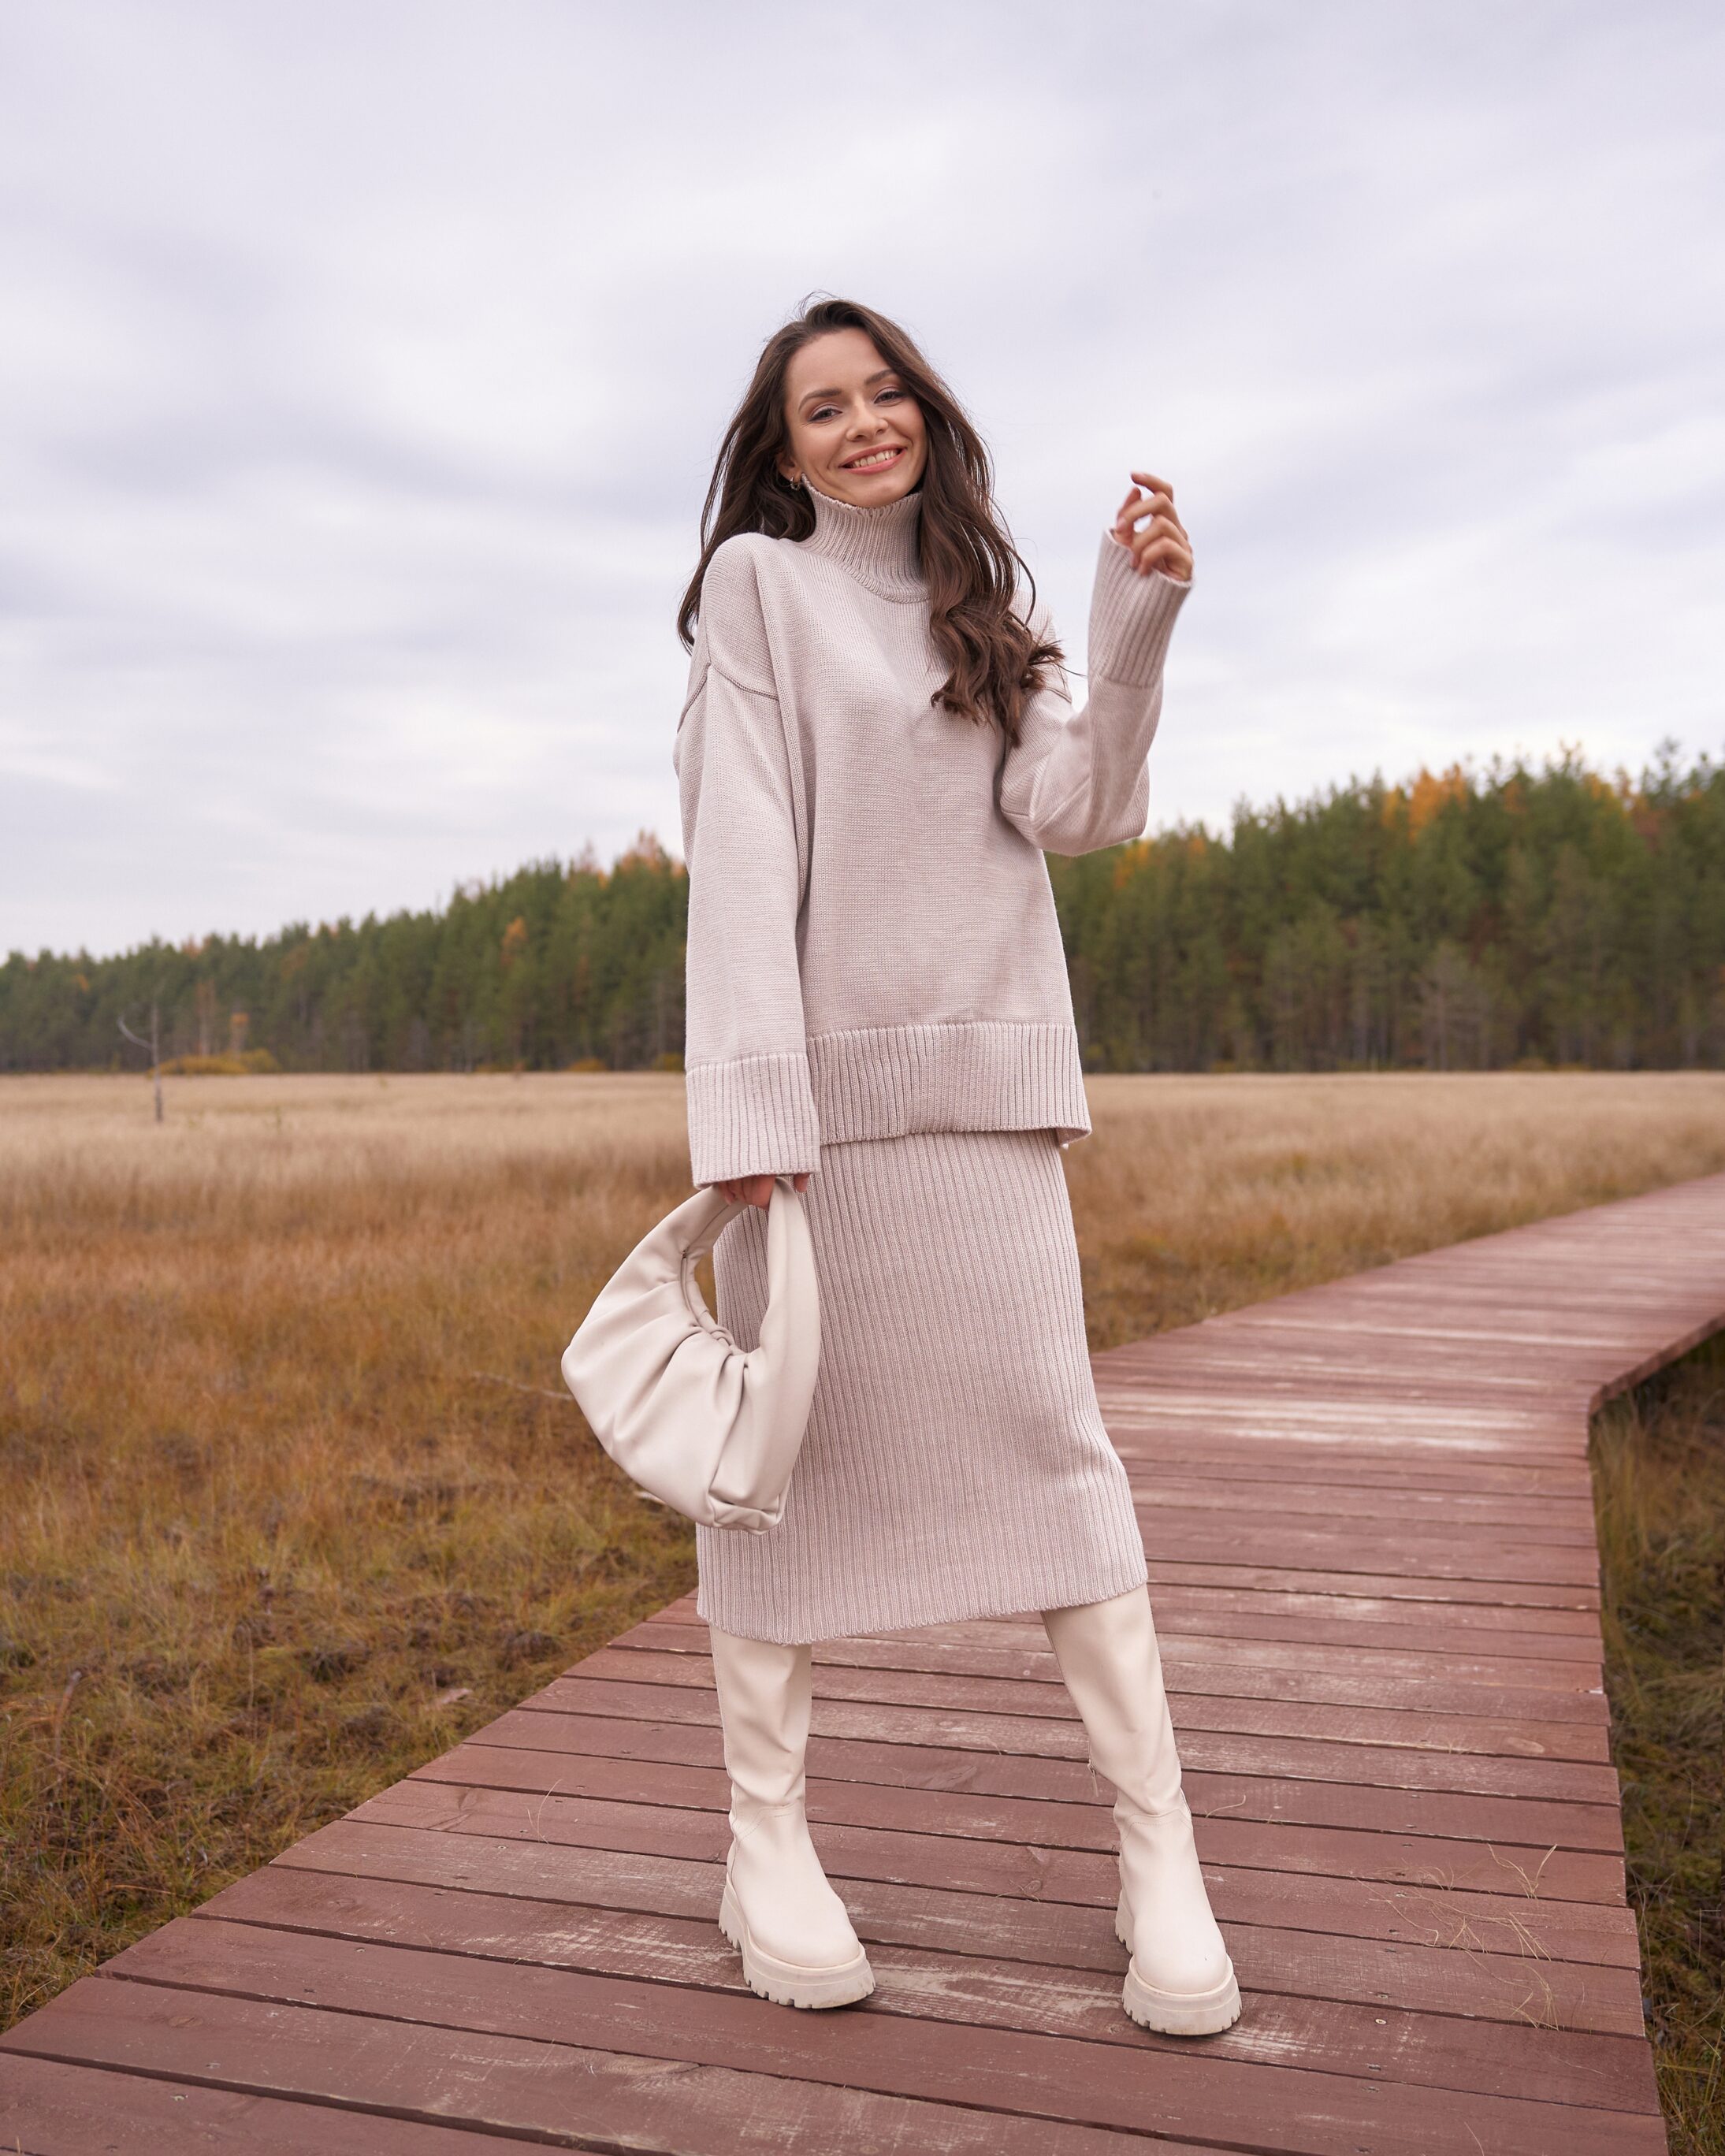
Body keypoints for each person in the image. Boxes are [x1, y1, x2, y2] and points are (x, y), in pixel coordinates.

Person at [671, 297, 1240, 2037]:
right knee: (780, 1476)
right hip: (816, 1132)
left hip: (990, 1116)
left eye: (883, 389)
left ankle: (1161, 1854)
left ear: (924, 406)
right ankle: (765, 1847)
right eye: (822, 408)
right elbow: (741, 862)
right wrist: (754, 1129)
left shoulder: (997, 614)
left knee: (1059, 1463)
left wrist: (1133, 625)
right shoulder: (759, 598)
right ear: (783, 453)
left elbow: (1083, 811)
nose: (862, 423)